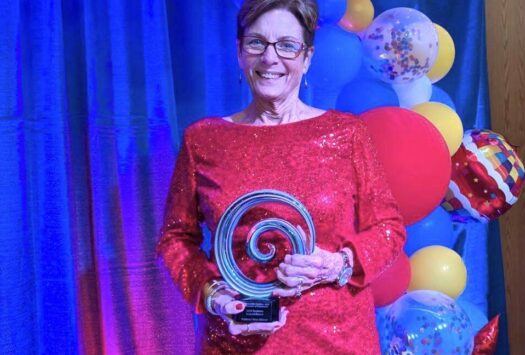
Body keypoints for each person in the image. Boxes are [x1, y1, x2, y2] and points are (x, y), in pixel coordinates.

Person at [156, 0, 406, 353]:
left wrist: (338, 264)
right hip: (236, 341)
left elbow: (389, 228)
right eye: (257, 43)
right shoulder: (203, 139)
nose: (270, 58)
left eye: (287, 45)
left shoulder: (347, 134)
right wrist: (216, 297)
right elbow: (175, 240)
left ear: (307, 58)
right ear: (240, 52)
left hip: (337, 339)